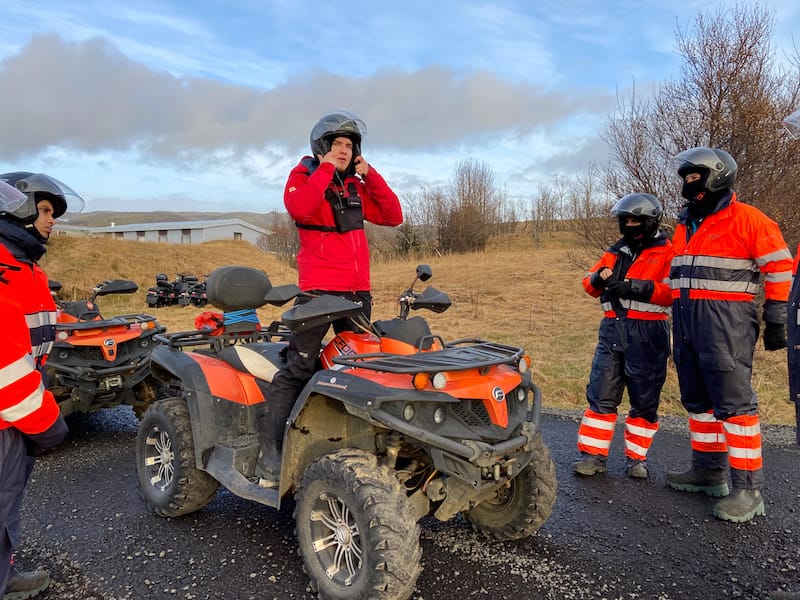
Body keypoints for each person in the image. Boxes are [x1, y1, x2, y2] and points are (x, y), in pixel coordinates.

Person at [255, 110, 403, 483]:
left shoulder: (354, 187)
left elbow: (393, 215)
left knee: (364, 366)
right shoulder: (303, 177)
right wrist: (323, 169)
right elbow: (300, 207)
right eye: (336, 144)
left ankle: (348, 440)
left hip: (357, 293)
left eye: (349, 146)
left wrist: (370, 175)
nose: (343, 150)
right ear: (322, 147)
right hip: (319, 291)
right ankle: (270, 455)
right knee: (299, 367)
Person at [666, 147, 792, 523]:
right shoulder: (685, 223)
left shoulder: (748, 219)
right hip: (687, 321)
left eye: (694, 178)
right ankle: (708, 472)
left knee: (734, 405)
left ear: (716, 177)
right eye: (685, 179)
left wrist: (777, 316)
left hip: (727, 324)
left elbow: (781, 266)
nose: (689, 186)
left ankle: (748, 489)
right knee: (698, 401)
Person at [0, 172, 83, 599]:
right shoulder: (3, 268)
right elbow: (6, 368)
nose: (52, 220)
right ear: (19, 207)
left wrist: (82, 325)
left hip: (14, 420)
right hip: (9, 417)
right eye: (46, 210)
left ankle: (5, 574)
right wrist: (49, 423)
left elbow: (42, 324)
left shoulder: (24, 268)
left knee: (7, 501)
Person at [573, 193, 673, 479]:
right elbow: (588, 283)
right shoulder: (615, 251)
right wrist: (598, 278)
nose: (629, 224)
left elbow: (671, 293)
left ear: (650, 221)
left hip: (649, 333)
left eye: (635, 220)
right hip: (613, 329)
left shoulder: (668, 252)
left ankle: (636, 459)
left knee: (645, 399)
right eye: (625, 220)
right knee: (601, 393)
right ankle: (593, 456)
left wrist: (635, 287)